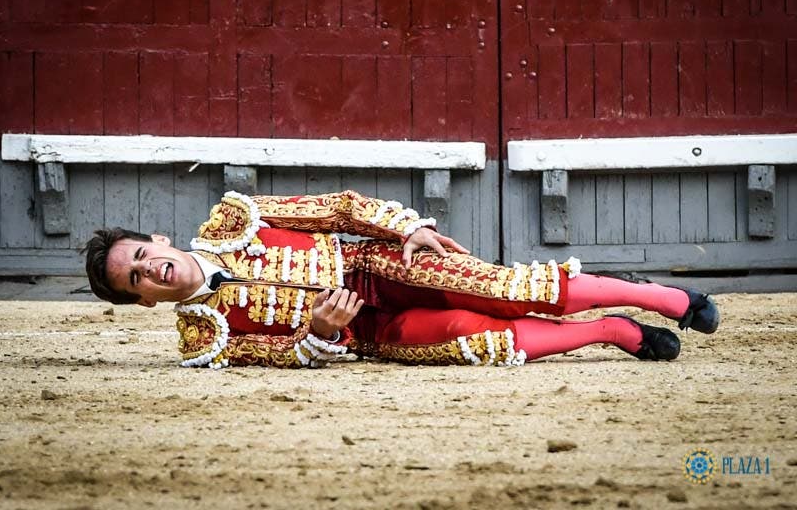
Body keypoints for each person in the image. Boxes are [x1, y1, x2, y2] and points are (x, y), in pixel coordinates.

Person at [84, 190, 719, 369]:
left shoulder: (235, 219)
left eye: (141, 254)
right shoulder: (204, 339)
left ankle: (665, 297)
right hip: (373, 333)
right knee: (481, 339)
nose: (150, 269)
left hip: (384, 265)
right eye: (136, 279)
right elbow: (279, 354)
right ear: (141, 300)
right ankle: (611, 332)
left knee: (513, 289)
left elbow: (339, 209)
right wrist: (316, 334)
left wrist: (404, 227)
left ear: (157, 241)